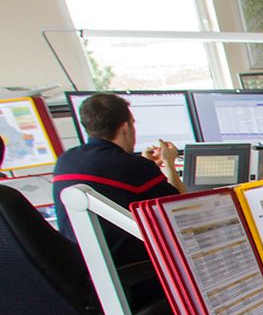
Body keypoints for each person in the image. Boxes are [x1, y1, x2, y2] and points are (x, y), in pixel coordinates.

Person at [52, 92, 184, 267]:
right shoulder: (133, 167)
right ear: (125, 127)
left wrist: (145, 165)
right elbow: (181, 208)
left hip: (83, 269)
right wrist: (169, 163)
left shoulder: (65, 160)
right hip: (136, 270)